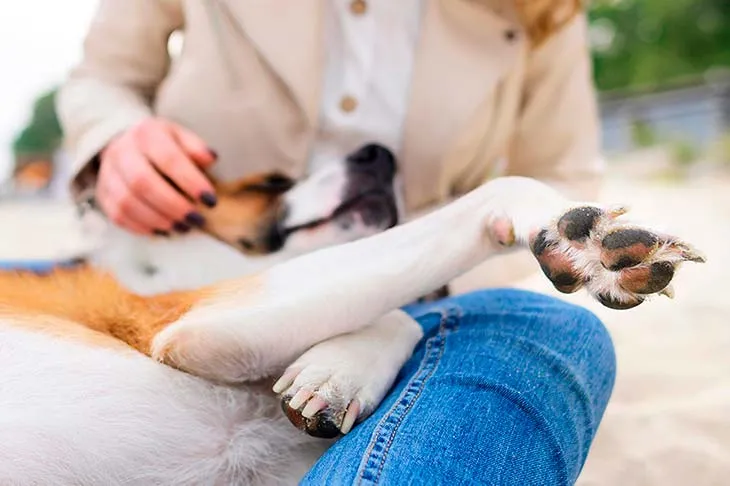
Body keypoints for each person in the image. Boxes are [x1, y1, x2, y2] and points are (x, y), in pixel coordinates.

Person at [57, 0, 615, 484]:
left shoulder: (544, 10)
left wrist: (424, 274)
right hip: (190, 261)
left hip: (419, 288)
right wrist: (118, 138)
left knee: (561, 331)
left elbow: (565, 183)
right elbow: (103, 78)